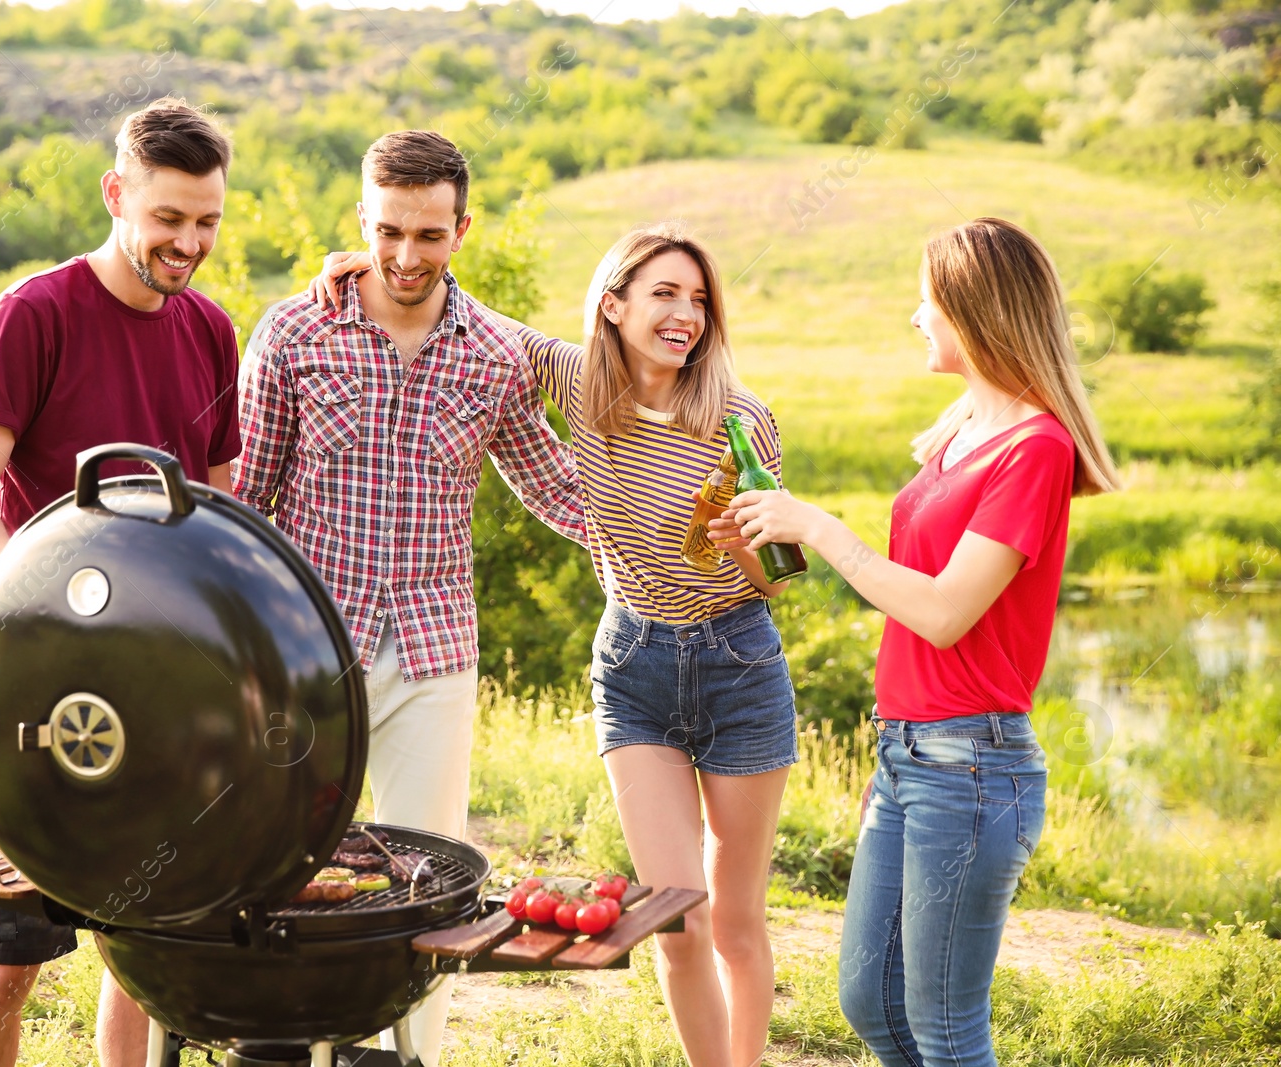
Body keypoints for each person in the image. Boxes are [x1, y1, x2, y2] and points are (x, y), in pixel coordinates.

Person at [311, 222, 798, 1067]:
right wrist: (381, 267)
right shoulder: (576, 382)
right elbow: (471, 315)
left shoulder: (741, 422)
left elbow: (777, 580)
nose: (686, 313)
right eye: (664, 294)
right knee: (675, 915)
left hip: (738, 662)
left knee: (734, 918)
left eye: (698, 298)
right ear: (612, 306)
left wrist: (743, 547)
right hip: (635, 666)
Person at [711, 217, 1121, 1067]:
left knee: (945, 1027)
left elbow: (941, 613)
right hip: (907, 755)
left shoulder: (1036, 450)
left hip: (973, 766)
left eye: (927, 300)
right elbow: (992, 401)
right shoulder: (976, 426)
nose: (915, 316)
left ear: (973, 313)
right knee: (870, 1003)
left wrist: (818, 527)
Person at [231, 130, 586, 1067]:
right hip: (307, 654)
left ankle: (404, 1055)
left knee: (432, 872)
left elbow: (554, 485)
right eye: (388, 230)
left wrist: (659, 546)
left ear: (462, 229)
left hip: (434, 651)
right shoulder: (292, 333)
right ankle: (287, 1042)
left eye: (429, 234)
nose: (405, 255)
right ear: (361, 221)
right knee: (292, 863)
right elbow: (249, 501)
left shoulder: (497, 355)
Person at [0, 97, 242, 1067]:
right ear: (116, 193)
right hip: (42, 688)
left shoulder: (212, 333)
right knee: (6, 957)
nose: (188, 242)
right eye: (168, 218)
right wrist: (39, 604)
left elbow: (218, 519)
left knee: (144, 953)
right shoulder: (37, 312)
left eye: (207, 221)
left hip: (166, 688)